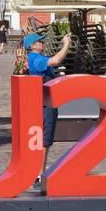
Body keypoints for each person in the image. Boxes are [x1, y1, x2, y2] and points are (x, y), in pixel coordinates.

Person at [23, 31, 73, 183]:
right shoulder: (36, 59)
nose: (42, 43)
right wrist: (66, 44)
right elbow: (56, 60)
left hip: (37, 102)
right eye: (39, 41)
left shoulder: (31, 59)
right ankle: (39, 174)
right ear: (32, 46)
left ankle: (35, 172)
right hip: (45, 104)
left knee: (38, 139)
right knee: (45, 139)